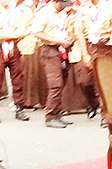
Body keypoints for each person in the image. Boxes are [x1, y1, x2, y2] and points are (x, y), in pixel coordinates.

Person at [0, 0, 32, 123]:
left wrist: (9, 34)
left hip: (14, 48)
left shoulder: (17, 12)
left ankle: (19, 108)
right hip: (0, 48)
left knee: (18, 78)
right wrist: (13, 34)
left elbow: (23, 32)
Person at [32, 0, 73, 128]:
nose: (64, 8)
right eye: (62, 4)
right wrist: (56, 40)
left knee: (62, 83)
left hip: (61, 50)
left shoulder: (60, 14)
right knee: (55, 84)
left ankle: (58, 113)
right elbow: (36, 32)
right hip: (49, 50)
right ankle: (50, 116)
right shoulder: (44, 12)